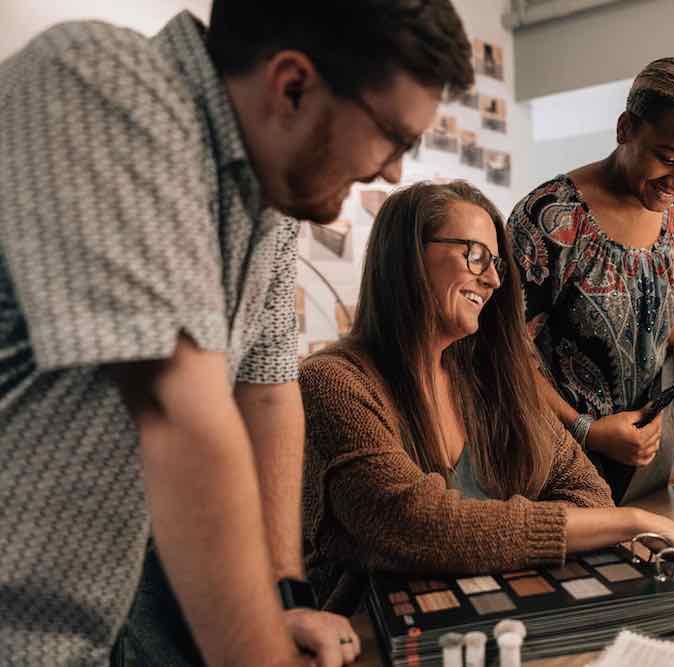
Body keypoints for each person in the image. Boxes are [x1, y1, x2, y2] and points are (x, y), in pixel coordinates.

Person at [0, 2, 472, 666]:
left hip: (95, 616)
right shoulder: (100, 79)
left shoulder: (271, 195)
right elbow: (180, 413)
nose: (394, 171)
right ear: (293, 86)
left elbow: (269, 390)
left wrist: (286, 596)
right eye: (392, 137)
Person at [298, 181, 674, 612]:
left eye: (496, 264)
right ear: (405, 258)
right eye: (475, 255)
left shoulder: (487, 378)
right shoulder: (333, 382)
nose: (494, 281)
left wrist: (493, 535)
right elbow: (414, 524)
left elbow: (587, 491)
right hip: (373, 633)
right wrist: (635, 521)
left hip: (499, 611)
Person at [507, 57, 674, 502]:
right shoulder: (551, 217)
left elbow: (664, 325)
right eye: (668, 158)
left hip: (647, 457)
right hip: (557, 461)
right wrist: (586, 429)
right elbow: (505, 349)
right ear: (625, 128)